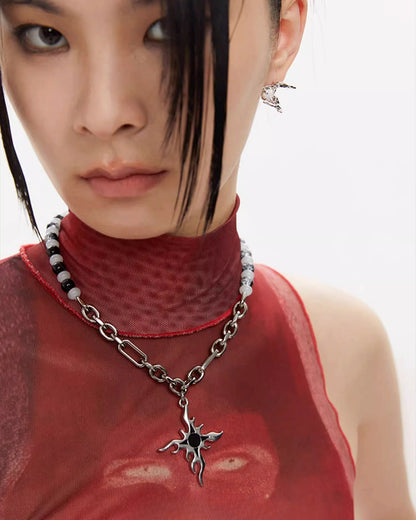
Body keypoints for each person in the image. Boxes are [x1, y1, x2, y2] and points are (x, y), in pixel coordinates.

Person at [0, 0, 414, 518]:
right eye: (46, 35)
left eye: (166, 30)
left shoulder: (344, 353)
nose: (105, 115)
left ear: (282, 33)